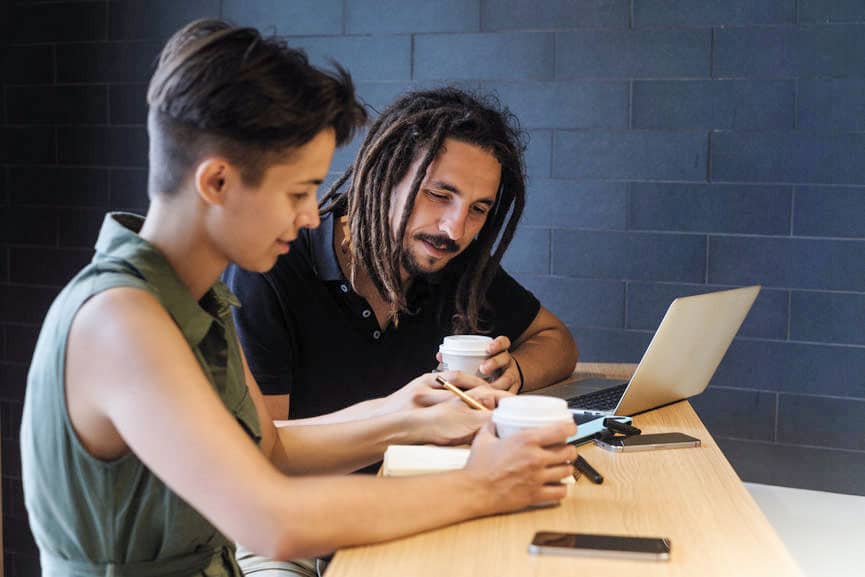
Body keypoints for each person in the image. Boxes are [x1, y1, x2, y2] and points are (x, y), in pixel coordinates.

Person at [19, 19, 577, 577]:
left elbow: (270, 451)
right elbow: (271, 521)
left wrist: (406, 417)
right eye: (298, 192)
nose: (314, 215)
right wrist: (482, 485)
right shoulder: (122, 321)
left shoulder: (193, 298)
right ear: (216, 183)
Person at [225, 87, 580, 426]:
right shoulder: (273, 265)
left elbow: (556, 340)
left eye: (478, 209)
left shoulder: (456, 263)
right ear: (384, 177)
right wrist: (399, 419)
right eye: (439, 195)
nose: (454, 229)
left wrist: (513, 372)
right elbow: (265, 447)